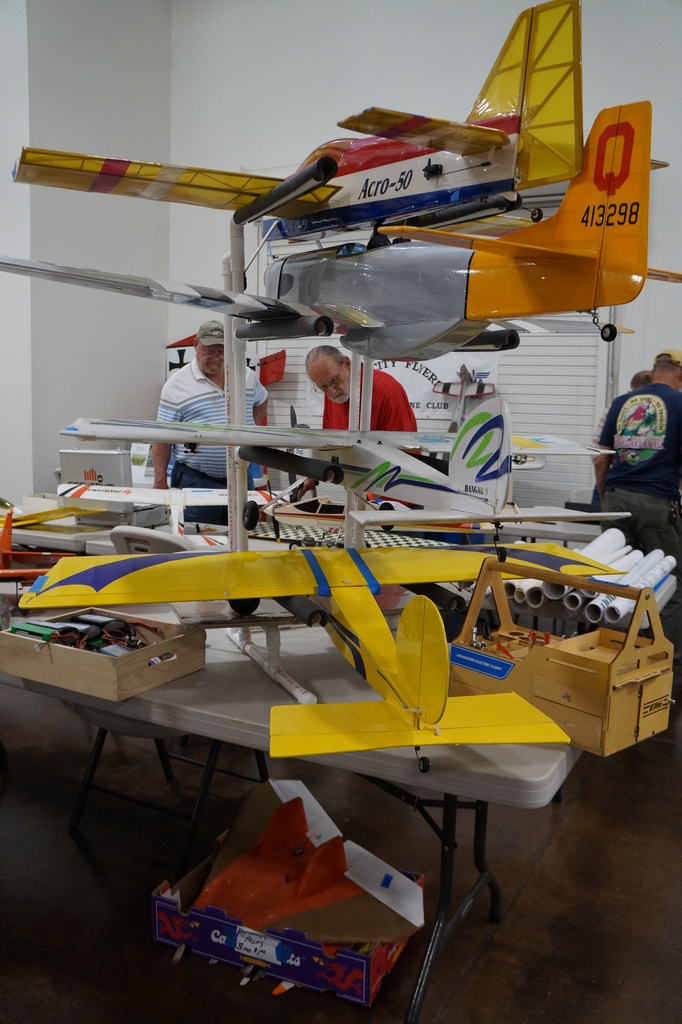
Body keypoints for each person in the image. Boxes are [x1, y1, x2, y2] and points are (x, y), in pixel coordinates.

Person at [594, 349, 682, 676]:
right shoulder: (679, 403)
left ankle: (610, 660)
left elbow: (601, 459)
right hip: (656, 502)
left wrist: (606, 499)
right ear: (680, 376)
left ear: (655, 371)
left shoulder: (622, 403)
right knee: (671, 581)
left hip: (616, 499)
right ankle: (663, 665)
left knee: (615, 580)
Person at [151, 320, 267, 525]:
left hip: (240, 476)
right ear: (196, 344)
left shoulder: (245, 376)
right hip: (195, 480)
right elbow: (162, 438)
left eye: (221, 352)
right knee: (195, 536)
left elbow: (262, 399)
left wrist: (249, 428)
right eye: (209, 351)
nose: (216, 357)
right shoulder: (175, 386)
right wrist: (160, 482)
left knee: (243, 534)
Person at [300, 345, 417, 496]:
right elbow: (330, 446)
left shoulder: (388, 392)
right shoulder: (334, 397)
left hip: (397, 497)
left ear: (347, 364)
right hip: (358, 495)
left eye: (334, 381)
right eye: (322, 387)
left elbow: (405, 456)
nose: (331, 391)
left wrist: (368, 498)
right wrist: (313, 474)